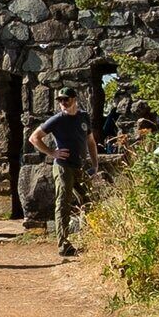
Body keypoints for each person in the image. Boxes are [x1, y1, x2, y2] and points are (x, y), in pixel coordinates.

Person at [37, 85, 95, 257]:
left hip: (79, 165)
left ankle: (91, 236)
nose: (62, 103)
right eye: (60, 100)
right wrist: (51, 152)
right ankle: (63, 244)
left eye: (66, 99)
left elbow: (90, 141)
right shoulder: (57, 120)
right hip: (63, 167)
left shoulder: (84, 117)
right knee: (63, 202)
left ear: (74, 99)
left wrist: (95, 163)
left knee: (88, 200)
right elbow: (35, 137)